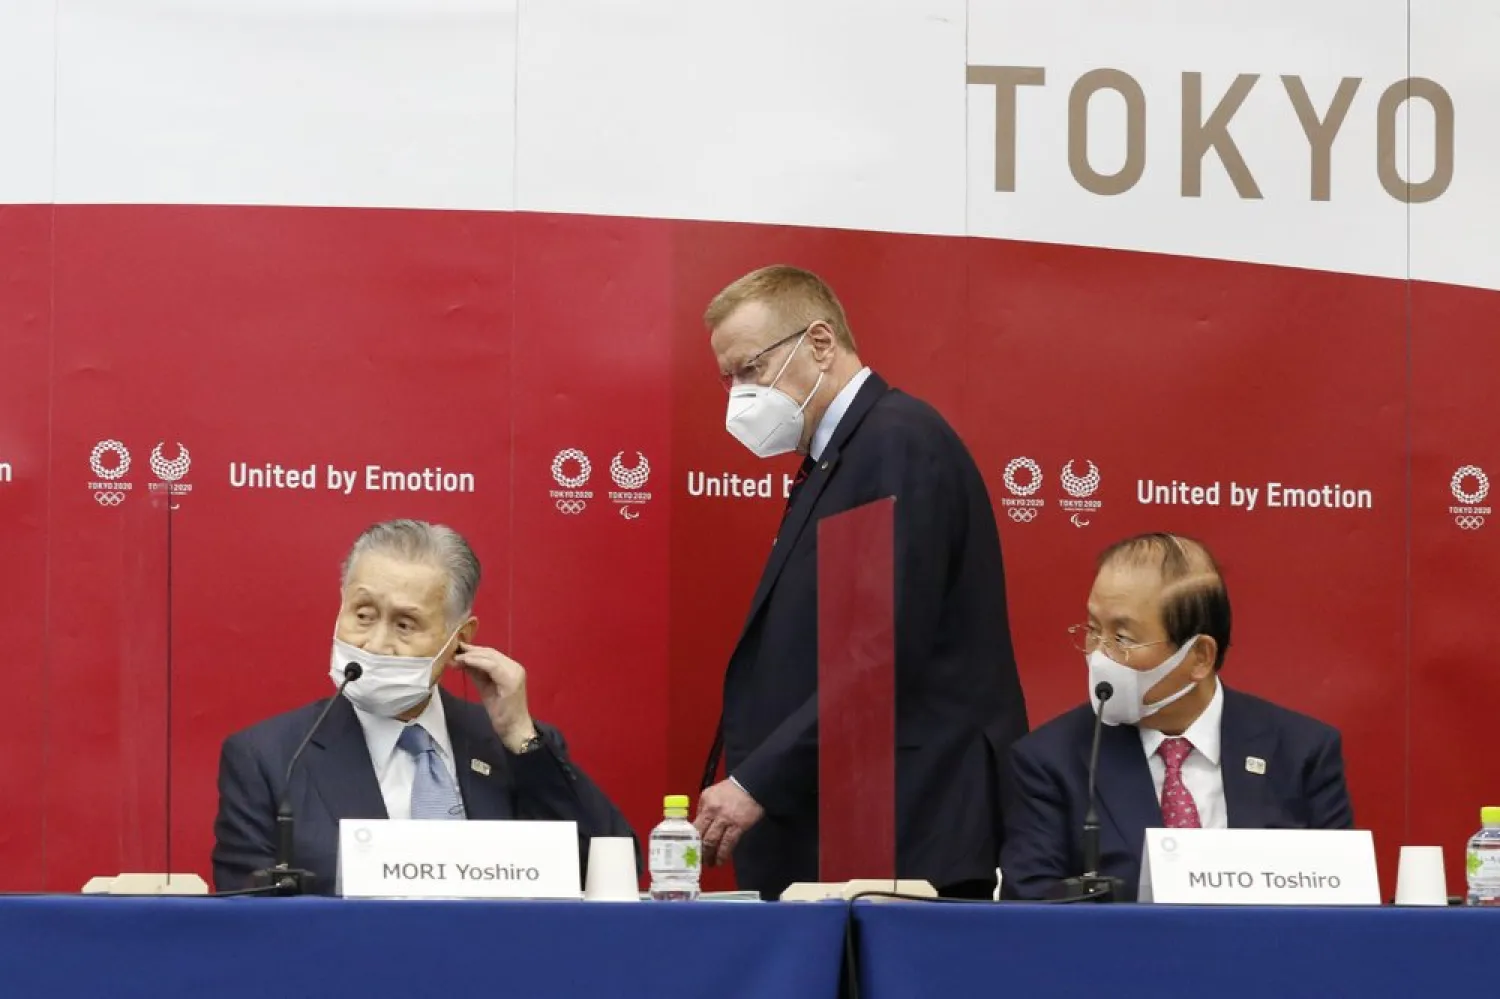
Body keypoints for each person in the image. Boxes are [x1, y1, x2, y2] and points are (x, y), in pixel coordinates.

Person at [694, 264, 1029, 900]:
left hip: (902, 828)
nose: (739, 395)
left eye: (750, 369)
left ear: (820, 342)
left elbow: (880, 654)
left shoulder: (894, 443)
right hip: (856, 823)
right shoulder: (846, 452)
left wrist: (755, 780)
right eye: (728, 378)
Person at [211, 519, 634, 894]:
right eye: (362, 614)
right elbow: (249, 923)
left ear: (459, 638)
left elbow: (609, 871)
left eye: (404, 624)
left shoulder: (510, 747)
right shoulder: (270, 758)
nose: (375, 644)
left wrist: (522, 739)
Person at [1000, 532, 1354, 901]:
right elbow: (1031, 909)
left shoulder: (1301, 754)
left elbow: (1342, 906)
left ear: (1199, 656)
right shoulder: (1052, 760)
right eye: (1093, 630)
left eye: (1122, 638)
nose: (1098, 656)